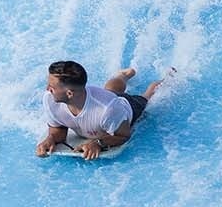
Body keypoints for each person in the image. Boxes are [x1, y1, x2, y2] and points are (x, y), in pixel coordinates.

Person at [34, 60, 167, 160]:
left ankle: (167, 79)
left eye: (51, 87)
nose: (47, 89)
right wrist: (51, 138)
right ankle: (123, 75)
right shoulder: (50, 99)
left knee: (147, 97)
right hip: (101, 98)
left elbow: (123, 135)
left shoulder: (108, 109)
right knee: (111, 90)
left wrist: (98, 143)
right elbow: (60, 129)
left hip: (126, 107)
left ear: (69, 93)